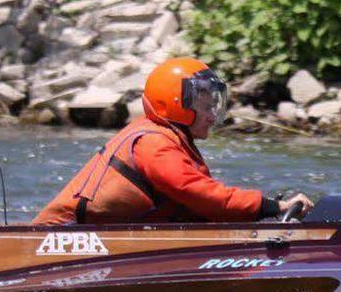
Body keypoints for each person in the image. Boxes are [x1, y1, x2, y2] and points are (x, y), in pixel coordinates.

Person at [35, 59, 313, 226]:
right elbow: (201, 195)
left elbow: (197, 208)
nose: (212, 115)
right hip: (63, 241)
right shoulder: (155, 145)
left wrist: (263, 216)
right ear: (177, 107)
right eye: (206, 108)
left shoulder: (170, 137)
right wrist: (272, 208)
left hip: (115, 240)